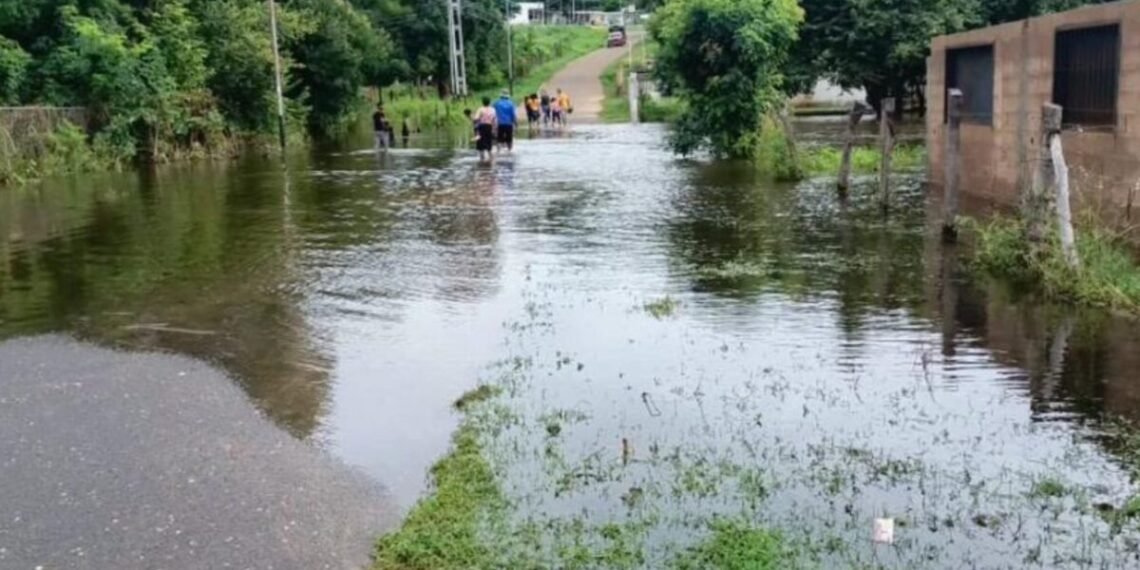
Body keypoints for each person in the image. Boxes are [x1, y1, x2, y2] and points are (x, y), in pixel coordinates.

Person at [473, 98, 496, 163]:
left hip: (481, 127)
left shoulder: (480, 109)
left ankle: (482, 160)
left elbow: (476, 119)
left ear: (483, 102)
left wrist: (475, 118)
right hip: (489, 127)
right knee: (489, 145)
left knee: (481, 146)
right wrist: (494, 129)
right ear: (489, 102)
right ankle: (491, 160)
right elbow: (494, 120)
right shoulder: (493, 109)